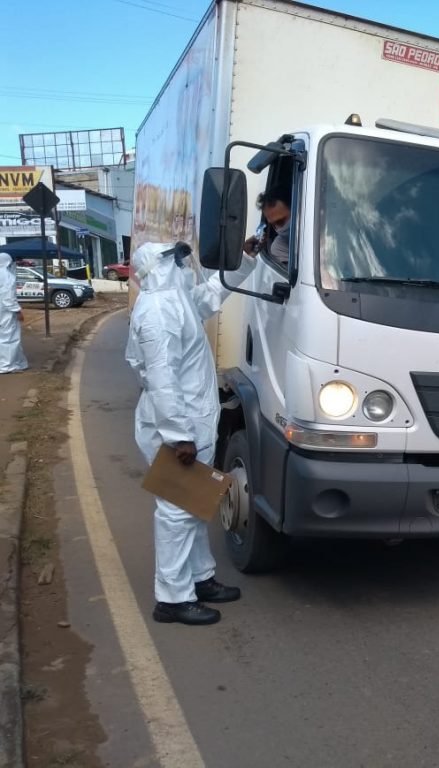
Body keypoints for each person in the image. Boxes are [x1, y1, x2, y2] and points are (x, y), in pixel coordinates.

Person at [126, 241, 255, 625]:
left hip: (190, 423)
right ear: (156, 268)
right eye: (174, 260)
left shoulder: (176, 301)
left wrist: (243, 258)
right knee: (177, 511)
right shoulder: (157, 311)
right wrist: (178, 435)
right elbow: (163, 380)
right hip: (176, 428)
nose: (183, 264)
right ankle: (172, 598)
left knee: (194, 505)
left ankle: (199, 579)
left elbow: (211, 294)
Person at [244, 186, 291, 265]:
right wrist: (247, 257)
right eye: (273, 225)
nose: (278, 228)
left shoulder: (317, 227)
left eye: (280, 221)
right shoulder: (279, 247)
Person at [0, 253, 28, 374]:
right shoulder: (6, 275)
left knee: (6, 337)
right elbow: (8, 297)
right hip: (6, 311)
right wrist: (17, 311)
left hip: (3, 310)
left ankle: (17, 362)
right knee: (9, 338)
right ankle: (7, 366)